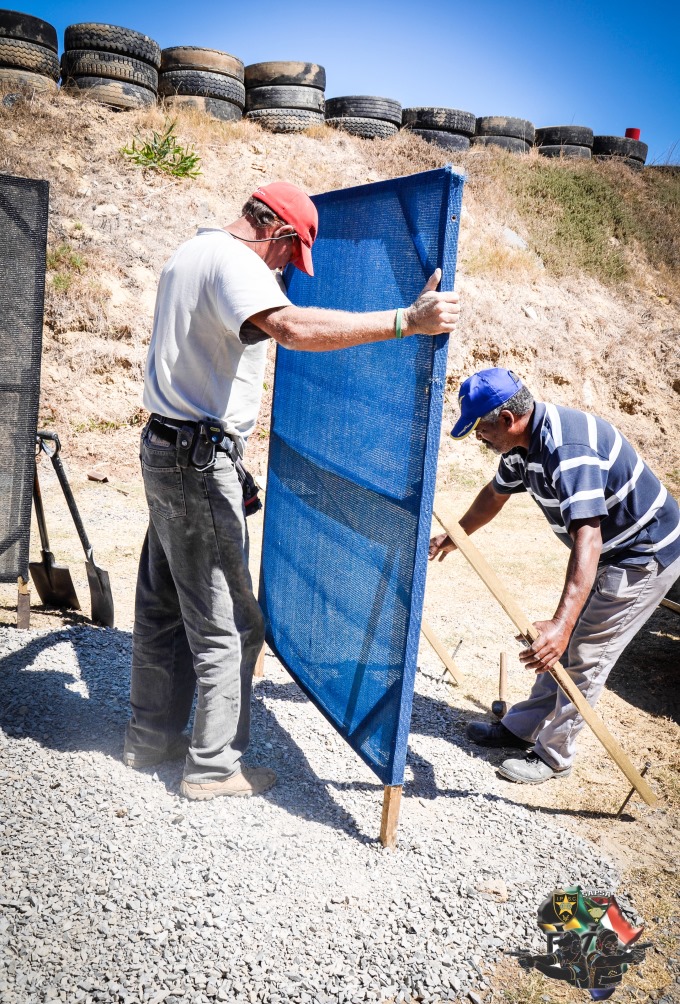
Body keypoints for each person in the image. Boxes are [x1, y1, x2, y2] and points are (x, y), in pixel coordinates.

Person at [124, 180, 461, 800]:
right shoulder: (236, 262)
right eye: (289, 254)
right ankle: (213, 769)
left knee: (163, 604)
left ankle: (149, 740)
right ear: (276, 231)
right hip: (196, 461)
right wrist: (406, 321)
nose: (285, 270)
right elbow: (293, 327)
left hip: (165, 446)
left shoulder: (191, 251)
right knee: (232, 624)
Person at [429, 367, 680, 784]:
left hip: (643, 553)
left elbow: (588, 538)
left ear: (507, 419)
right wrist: (455, 535)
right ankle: (520, 728)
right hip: (609, 551)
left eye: (481, 429)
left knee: (586, 653)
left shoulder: (568, 448)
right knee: (555, 647)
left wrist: (563, 624)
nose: (479, 438)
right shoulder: (521, 446)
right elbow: (494, 495)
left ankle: (554, 756)